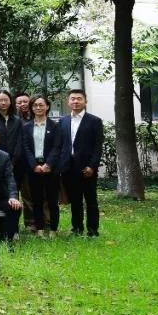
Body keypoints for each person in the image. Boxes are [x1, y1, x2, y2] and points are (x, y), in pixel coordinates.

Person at [45, 89, 103, 237]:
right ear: (68, 101)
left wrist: (92, 166)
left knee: (91, 200)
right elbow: (59, 145)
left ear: (85, 101)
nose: (75, 101)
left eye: (79, 98)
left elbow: (97, 147)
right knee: (75, 200)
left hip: (86, 168)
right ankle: (77, 229)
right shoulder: (63, 121)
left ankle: (93, 231)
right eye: (73, 99)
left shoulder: (94, 121)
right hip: (68, 167)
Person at [22, 95, 59, 237]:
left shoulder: (55, 126)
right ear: (31, 108)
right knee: (36, 200)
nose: (38, 107)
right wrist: (34, 165)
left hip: (51, 167)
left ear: (47, 106)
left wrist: (49, 164)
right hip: (34, 168)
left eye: (41, 105)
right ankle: (40, 229)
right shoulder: (26, 127)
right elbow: (26, 147)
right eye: (35, 105)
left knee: (52, 200)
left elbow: (57, 146)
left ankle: (53, 229)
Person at [0, 89, 26, 230]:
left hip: (15, 164)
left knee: (13, 193)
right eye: (0, 100)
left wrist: (12, 161)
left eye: (6, 100)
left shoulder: (17, 120)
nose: (3, 102)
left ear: (10, 102)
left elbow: (20, 142)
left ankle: (14, 228)